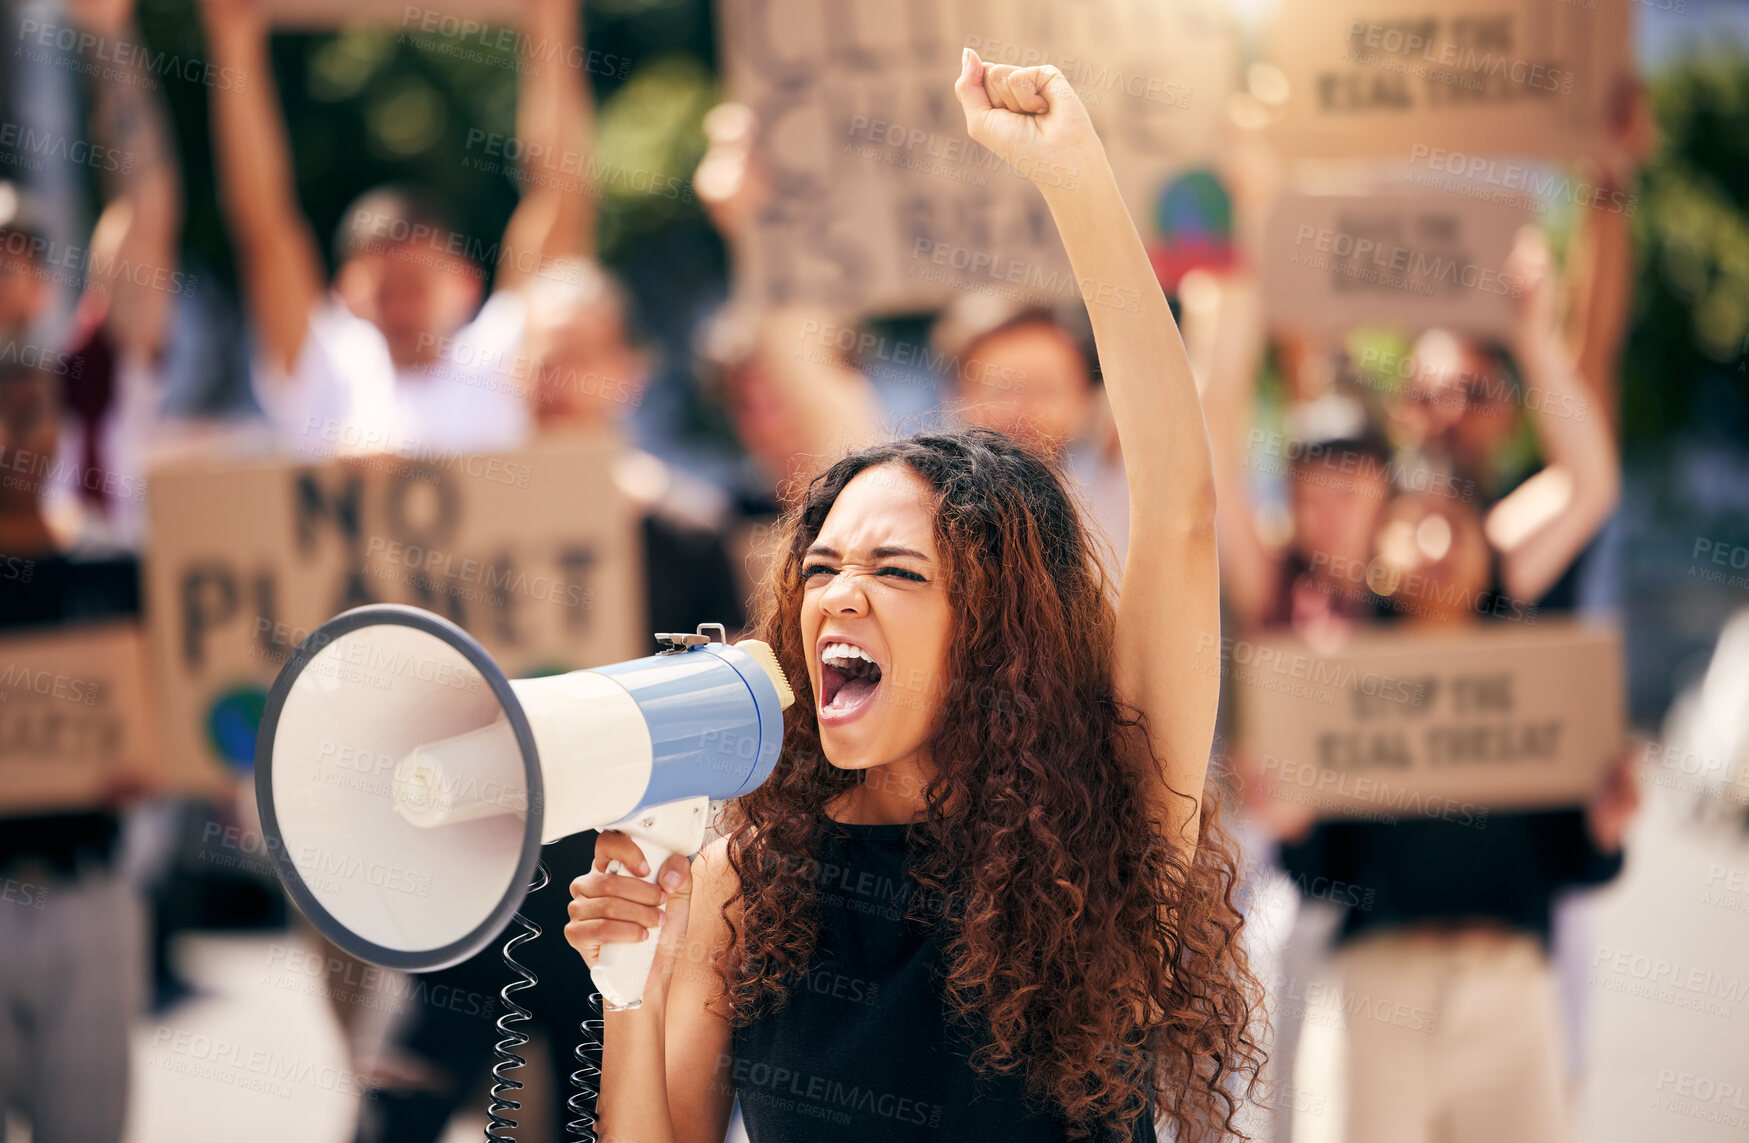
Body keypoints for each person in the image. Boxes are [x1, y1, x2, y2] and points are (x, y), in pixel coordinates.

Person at [568, 51, 1264, 1142]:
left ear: (996, 633)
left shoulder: (1111, 821)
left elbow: (1178, 511)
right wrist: (629, 985)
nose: (840, 597)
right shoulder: (743, 880)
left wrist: (1076, 178)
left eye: (895, 573)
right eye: (823, 567)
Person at [200, 0, 591, 457]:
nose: (403, 308)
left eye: (417, 288)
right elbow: (263, 225)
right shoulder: (325, 369)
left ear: (465, 283)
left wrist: (552, 24)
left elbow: (561, 202)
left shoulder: (505, 363)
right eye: (387, 291)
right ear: (346, 292)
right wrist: (233, 43)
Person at [0, 354, 148, 1143]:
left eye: (30, 412)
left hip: (88, 891)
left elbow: (168, 713)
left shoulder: (113, 567)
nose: (12, 436)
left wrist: (153, 760)